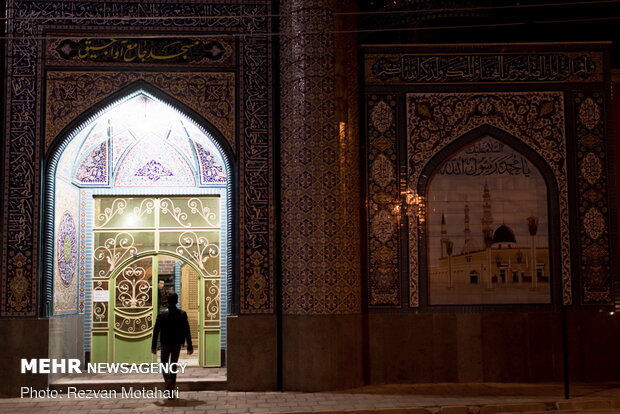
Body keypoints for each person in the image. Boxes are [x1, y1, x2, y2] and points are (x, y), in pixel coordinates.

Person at [151, 292, 193, 397]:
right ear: (177, 301)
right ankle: (171, 392)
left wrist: (153, 346)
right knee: (173, 366)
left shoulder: (161, 314)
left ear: (167, 301)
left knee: (164, 364)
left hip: (165, 343)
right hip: (177, 343)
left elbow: (156, 330)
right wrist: (190, 345)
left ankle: (168, 380)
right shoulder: (182, 314)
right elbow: (187, 330)